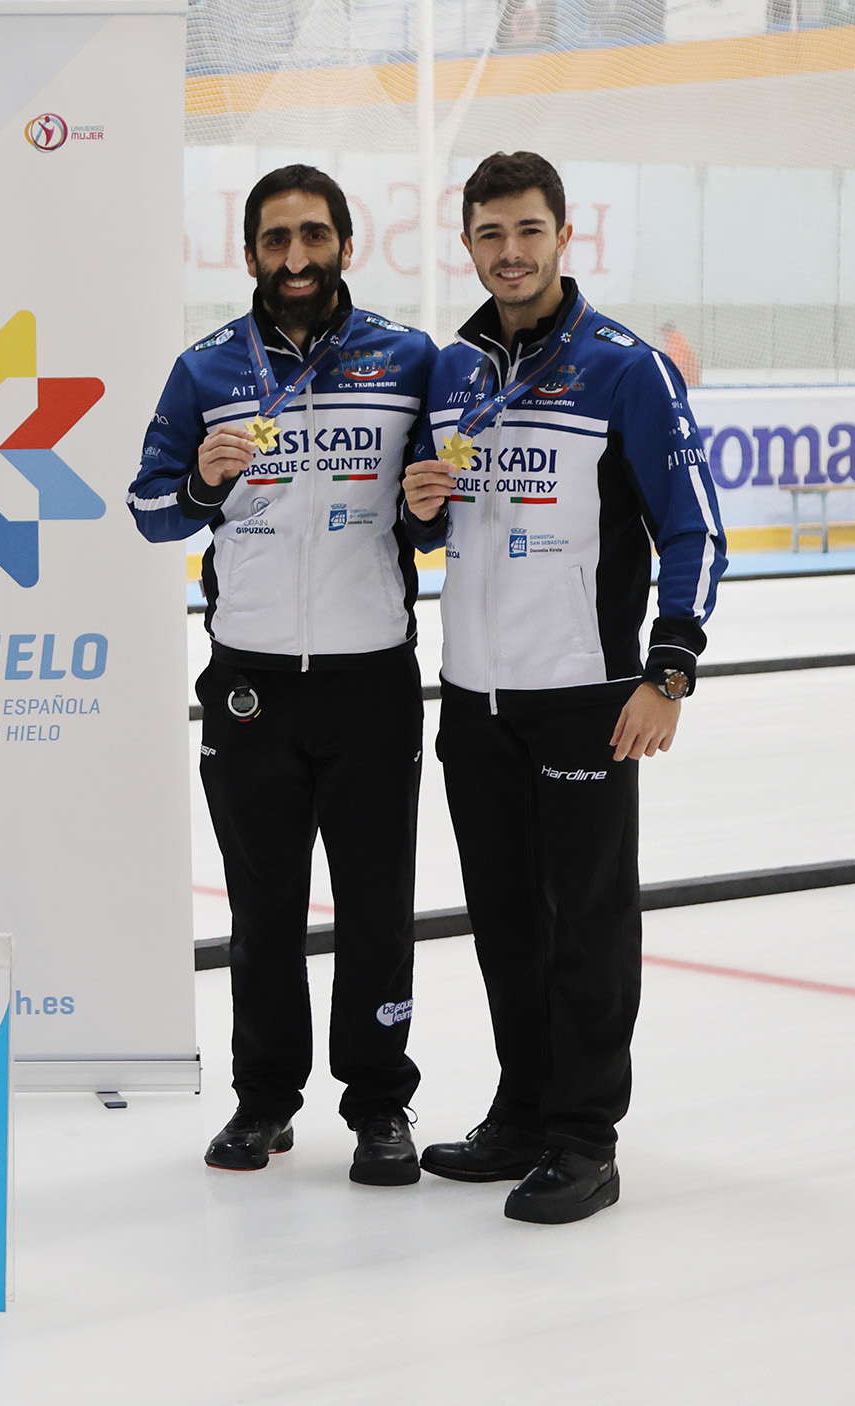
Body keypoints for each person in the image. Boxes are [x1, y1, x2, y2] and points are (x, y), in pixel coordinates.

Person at [399, 151, 726, 1224]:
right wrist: (419, 506)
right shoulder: (450, 370)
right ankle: (523, 1110)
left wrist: (667, 670)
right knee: (502, 919)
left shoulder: (625, 367)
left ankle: (585, 1136)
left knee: (583, 923)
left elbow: (693, 529)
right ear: (468, 244)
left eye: (527, 231)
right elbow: (432, 525)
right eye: (490, 234)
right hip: (473, 696)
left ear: (562, 236)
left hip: (584, 691)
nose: (509, 252)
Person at [127, 165, 441, 1186]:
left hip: (370, 679)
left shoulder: (407, 359)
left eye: (313, 236)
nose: (294, 258)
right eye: (275, 240)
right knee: (261, 908)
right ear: (250, 251)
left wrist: (434, 503)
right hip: (251, 679)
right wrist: (199, 480)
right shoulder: (205, 368)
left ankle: (380, 1102)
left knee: (376, 903)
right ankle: (264, 1099)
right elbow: (147, 510)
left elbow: (434, 516)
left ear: (347, 244)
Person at [658, 321, 700, 387]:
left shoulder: (676, 341)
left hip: (686, 381)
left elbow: (676, 362)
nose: (662, 335)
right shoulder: (674, 340)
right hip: (685, 380)